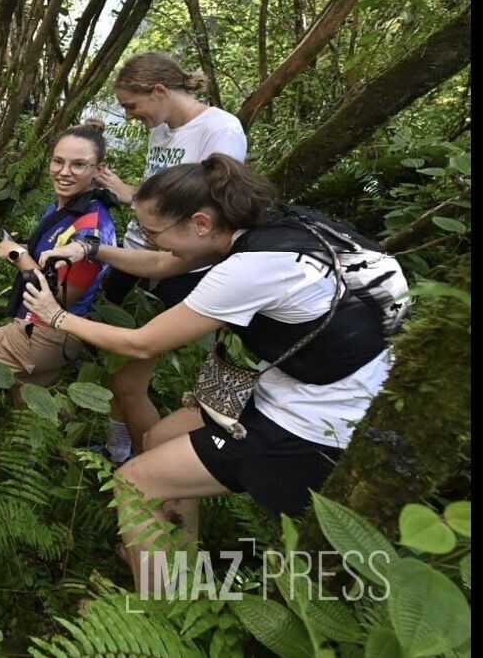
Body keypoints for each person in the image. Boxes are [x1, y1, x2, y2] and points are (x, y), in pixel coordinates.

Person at [23, 155, 405, 593]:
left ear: (201, 223)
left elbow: (142, 343)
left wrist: (56, 317)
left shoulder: (252, 269)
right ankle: (175, 560)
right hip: (321, 382)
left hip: (315, 423)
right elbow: (170, 263)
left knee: (134, 482)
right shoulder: (281, 228)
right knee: (160, 438)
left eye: (151, 233)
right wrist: (92, 248)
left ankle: (160, 608)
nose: (151, 244)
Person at [92, 53, 247, 465]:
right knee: (116, 369)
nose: (128, 116)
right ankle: (117, 450)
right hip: (135, 256)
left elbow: (216, 213)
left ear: (159, 91)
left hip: (177, 268)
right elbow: (158, 197)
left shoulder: (219, 130)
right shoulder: (162, 130)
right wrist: (128, 193)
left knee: (130, 377)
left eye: (131, 105)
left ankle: (146, 469)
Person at [0, 121, 119, 428]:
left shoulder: (89, 229)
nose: (64, 172)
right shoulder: (70, 207)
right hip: (51, 333)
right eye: (58, 161)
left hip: (47, 332)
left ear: (98, 169)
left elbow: (60, 298)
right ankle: (27, 465)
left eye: (78, 165)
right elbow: (52, 261)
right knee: (27, 405)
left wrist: (16, 254)